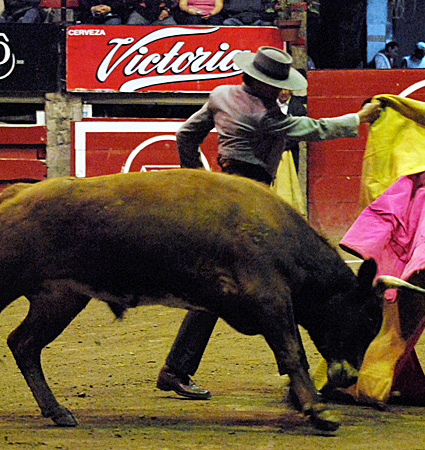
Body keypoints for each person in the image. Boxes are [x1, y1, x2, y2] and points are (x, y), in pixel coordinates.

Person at [156, 46, 382, 399]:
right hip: (251, 203)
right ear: (261, 84)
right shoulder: (267, 117)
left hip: (225, 192)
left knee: (220, 290)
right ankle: (298, 379)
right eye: (276, 85)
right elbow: (315, 128)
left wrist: (199, 179)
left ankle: (177, 368)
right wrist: (360, 118)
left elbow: (185, 135)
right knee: (275, 288)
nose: (281, 91)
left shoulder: (220, 95)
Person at [277, 88, 307, 171]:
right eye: (281, 90)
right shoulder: (268, 105)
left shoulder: (298, 108)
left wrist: (281, 146)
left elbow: (298, 133)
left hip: (290, 151)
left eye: (286, 90)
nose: (283, 93)